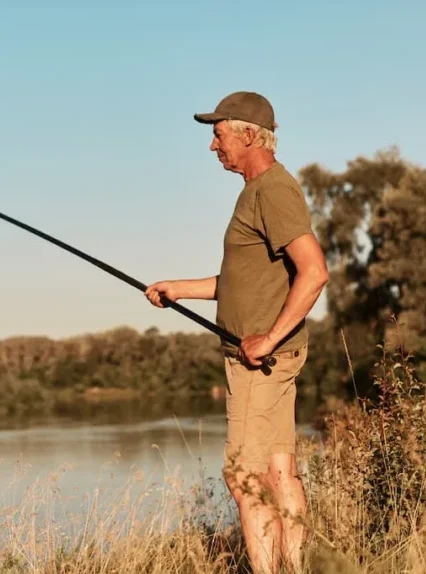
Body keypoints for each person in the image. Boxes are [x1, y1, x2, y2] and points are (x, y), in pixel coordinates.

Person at [144, 91, 329, 574]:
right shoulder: (259, 191)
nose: (212, 145)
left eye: (218, 133)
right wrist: (178, 289)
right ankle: (295, 566)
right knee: (278, 468)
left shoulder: (271, 190)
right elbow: (243, 283)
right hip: (270, 357)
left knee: (244, 477)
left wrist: (266, 340)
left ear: (248, 134)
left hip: (260, 362)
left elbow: (314, 272)